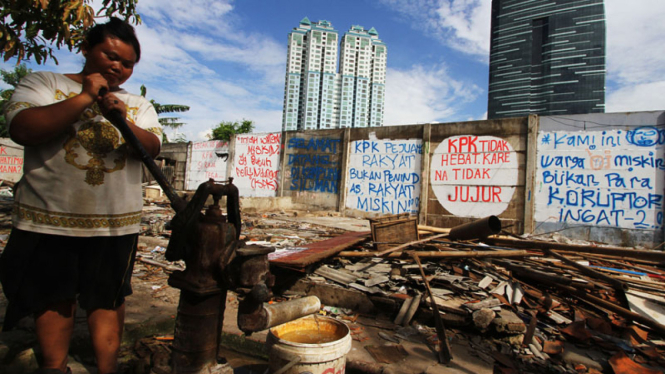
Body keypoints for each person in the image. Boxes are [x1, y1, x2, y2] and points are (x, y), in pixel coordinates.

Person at [0, 17, 162, 374]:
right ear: (86, 48)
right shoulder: (44, 83)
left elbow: (151, 148)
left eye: (128, 63)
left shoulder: (137, 105)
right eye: (110, 55)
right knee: (53, 300)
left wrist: (122, 119)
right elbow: (23, 129)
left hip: (114, 226)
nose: (118, 67)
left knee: (108, 299)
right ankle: (55, 367)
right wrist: (87, 97)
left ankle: (107, 369)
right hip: (49, 219)